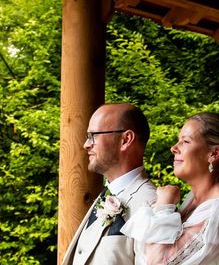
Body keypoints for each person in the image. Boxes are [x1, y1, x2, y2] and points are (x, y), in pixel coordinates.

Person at [121, 112, 219, 265]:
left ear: (214, 153)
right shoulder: (194, 200)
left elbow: (158, 262)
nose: (174, 148)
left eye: (185, 141)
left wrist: (163, 207)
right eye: (178, 140)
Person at [62, 103, 157, 265]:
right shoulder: (107, 194)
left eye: (94, 135)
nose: (86, 144)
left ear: (126, 139)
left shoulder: (152, 204)